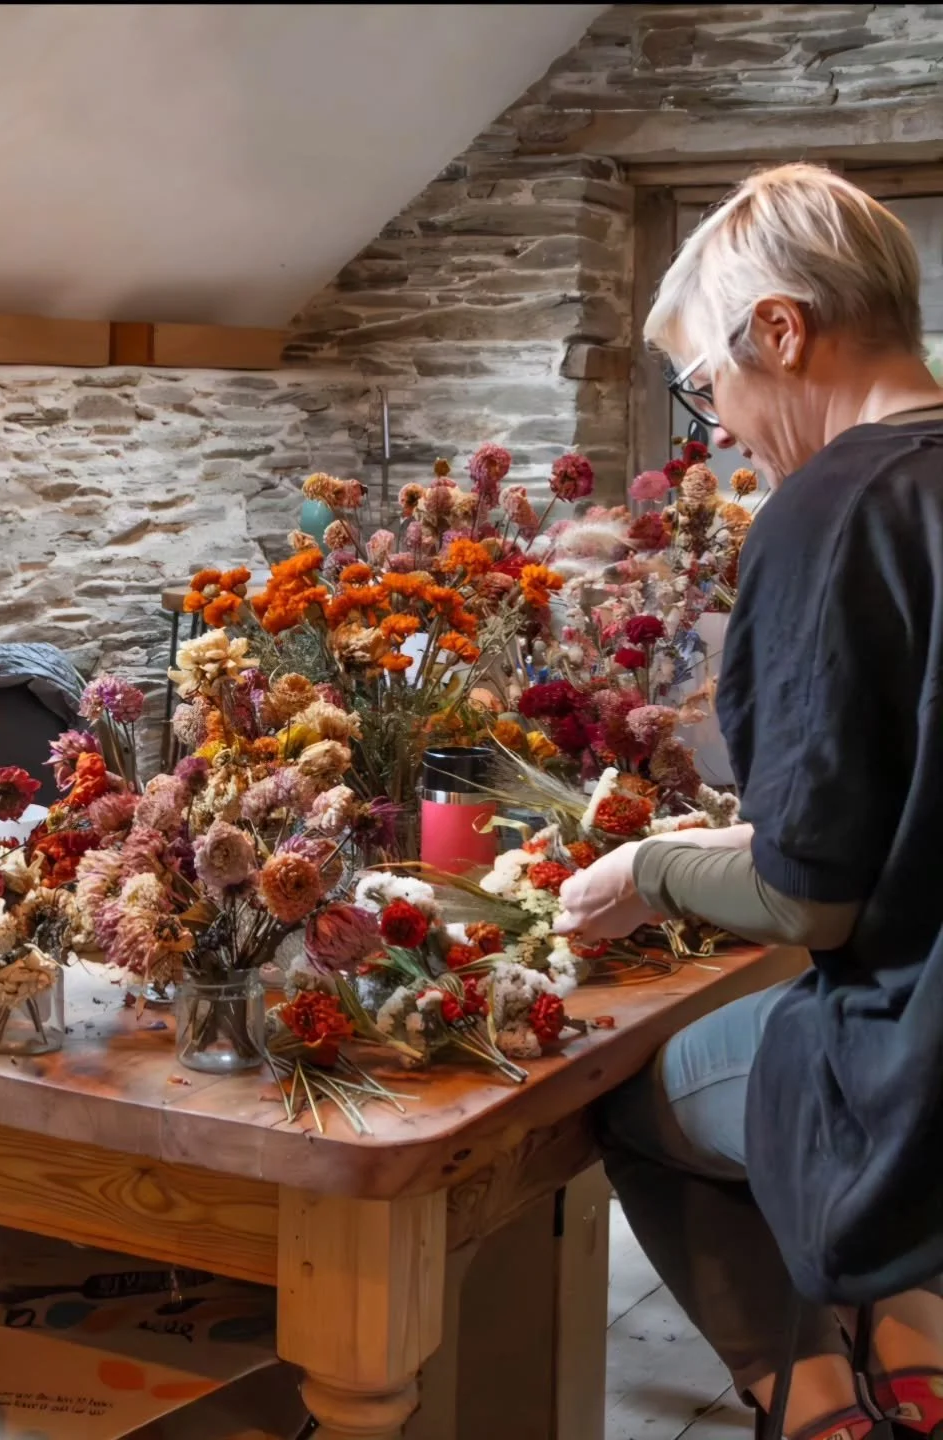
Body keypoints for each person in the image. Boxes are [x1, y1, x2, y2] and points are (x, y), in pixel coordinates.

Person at [554, 163, 943, 1440]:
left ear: (782, 330)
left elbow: (811, 905)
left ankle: (820, 1410)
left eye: (709, 382)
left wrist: (654, 867)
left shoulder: (831, 511)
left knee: (636, 1101)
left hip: (915, 1061)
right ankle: (907, 1361)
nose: (715, 422)